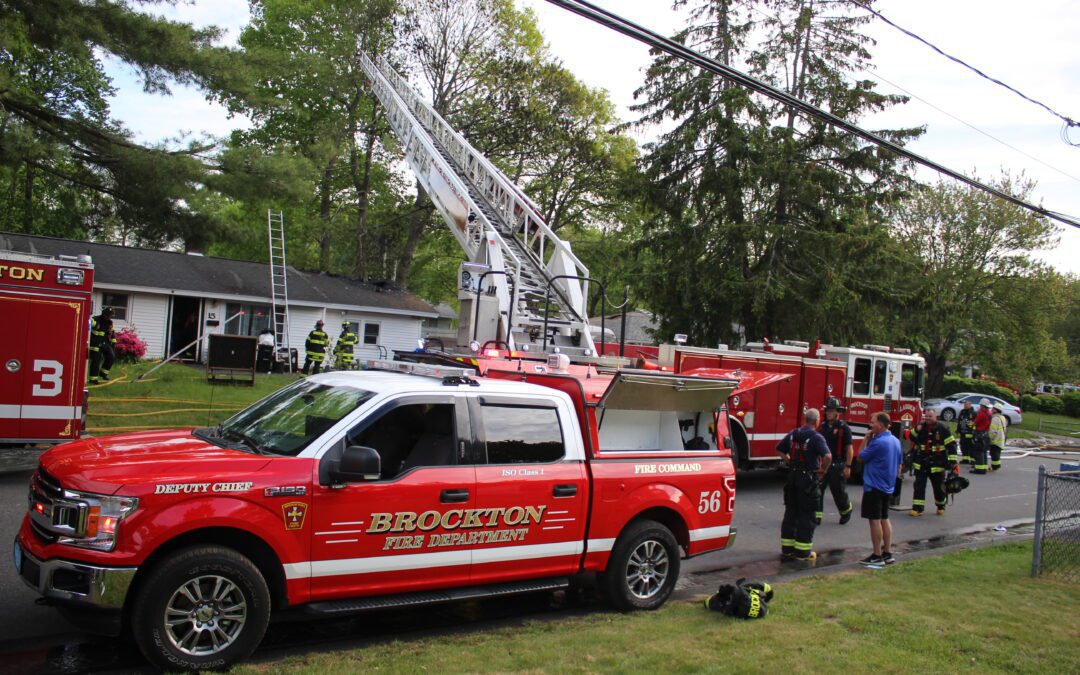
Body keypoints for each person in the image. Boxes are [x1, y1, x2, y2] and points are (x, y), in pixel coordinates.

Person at [776, 408, 832, 561]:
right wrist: (822, 470)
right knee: (807, 515)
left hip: (792, 477)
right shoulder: (816, 437)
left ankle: (787, 549)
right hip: (807, 480)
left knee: (790, 512)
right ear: (816, 421)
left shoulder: (794, 433)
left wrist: (790, 461)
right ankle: (802, 552)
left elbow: (780, 450)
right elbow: (827, 456)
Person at [857, 412, 903, 566]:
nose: (870, 425)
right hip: (887, 486)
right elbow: (899, 464)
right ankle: (887, 552)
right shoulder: (896, 441)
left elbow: (860, 457)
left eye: (873, 422)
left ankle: (877, 554)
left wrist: (866, 438)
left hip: (874, 485)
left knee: (874, 520)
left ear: (881, 425)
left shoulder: (878, 442)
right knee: (884, 518)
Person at [907, 409, 958, 516]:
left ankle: (941, 505)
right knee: (919, 486)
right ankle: (917, 508)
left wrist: (953, 462)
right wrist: (916, 429)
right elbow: (910, 436)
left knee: (939, 487)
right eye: (927, 416)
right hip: (922, 462)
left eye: (930, 416)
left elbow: (951, 445)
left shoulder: (943, 429)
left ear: (936, 417)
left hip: (937, 464)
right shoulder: (921, 427)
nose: (928, 418)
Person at [816, 397, 854, 525]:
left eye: (831, 411)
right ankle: (817, 516)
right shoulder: (822, 427)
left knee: (838, 491)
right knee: (818, 490)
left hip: (838, 465)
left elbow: (849, 448)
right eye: (827, 410)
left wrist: (848, 466)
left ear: (838, 412)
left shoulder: (844, 428)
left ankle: (846, 511)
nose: (828, 413)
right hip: (824, 464)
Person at [88, 306, 116, 383]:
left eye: (111, 316)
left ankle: (103, 374)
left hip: (105, 343)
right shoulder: (95, 319)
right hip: (96, 343)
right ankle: (93, 379)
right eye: (108, 315)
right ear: (104, 314)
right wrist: (94, 324)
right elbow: (88, 323)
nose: (109, 317)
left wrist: (113, 342)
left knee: (111, 357)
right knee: (96, 361)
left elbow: (112, 332)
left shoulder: (110, 322)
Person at [971, 398, 993, 474]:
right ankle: (984, 468)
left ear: (982, 406)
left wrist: (968, 423)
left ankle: (979, 469)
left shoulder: (982, 414)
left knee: (978, 452)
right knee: (983, 452)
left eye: (980, 405)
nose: (979, 407)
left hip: (979, 435)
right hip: (986, 435)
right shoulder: (989, 413)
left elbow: (974, 423)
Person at [956, 400, 977, 465]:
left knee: (971, 447)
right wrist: (958, 429)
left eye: (966, 404)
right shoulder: (962, 412)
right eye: (964, 404)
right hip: (963, 432)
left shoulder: (973, 413)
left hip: (970, 433)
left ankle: (973, 460)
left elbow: (975, 422)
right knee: (963, 446)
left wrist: (973, 431)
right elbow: (960, 421)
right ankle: (965, 459)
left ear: (970, 405)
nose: (965, 406)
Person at [989, 403, 1008, 472]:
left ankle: (995, 467)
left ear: (996, 410)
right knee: (997, 453)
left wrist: (989, 439)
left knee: (994, 454)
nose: (991, 410)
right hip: (1001, 440)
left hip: (995, 440)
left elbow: (993, 431)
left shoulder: (995, 419)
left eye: (993, 409)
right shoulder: (1002, 418)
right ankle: (996, 466)